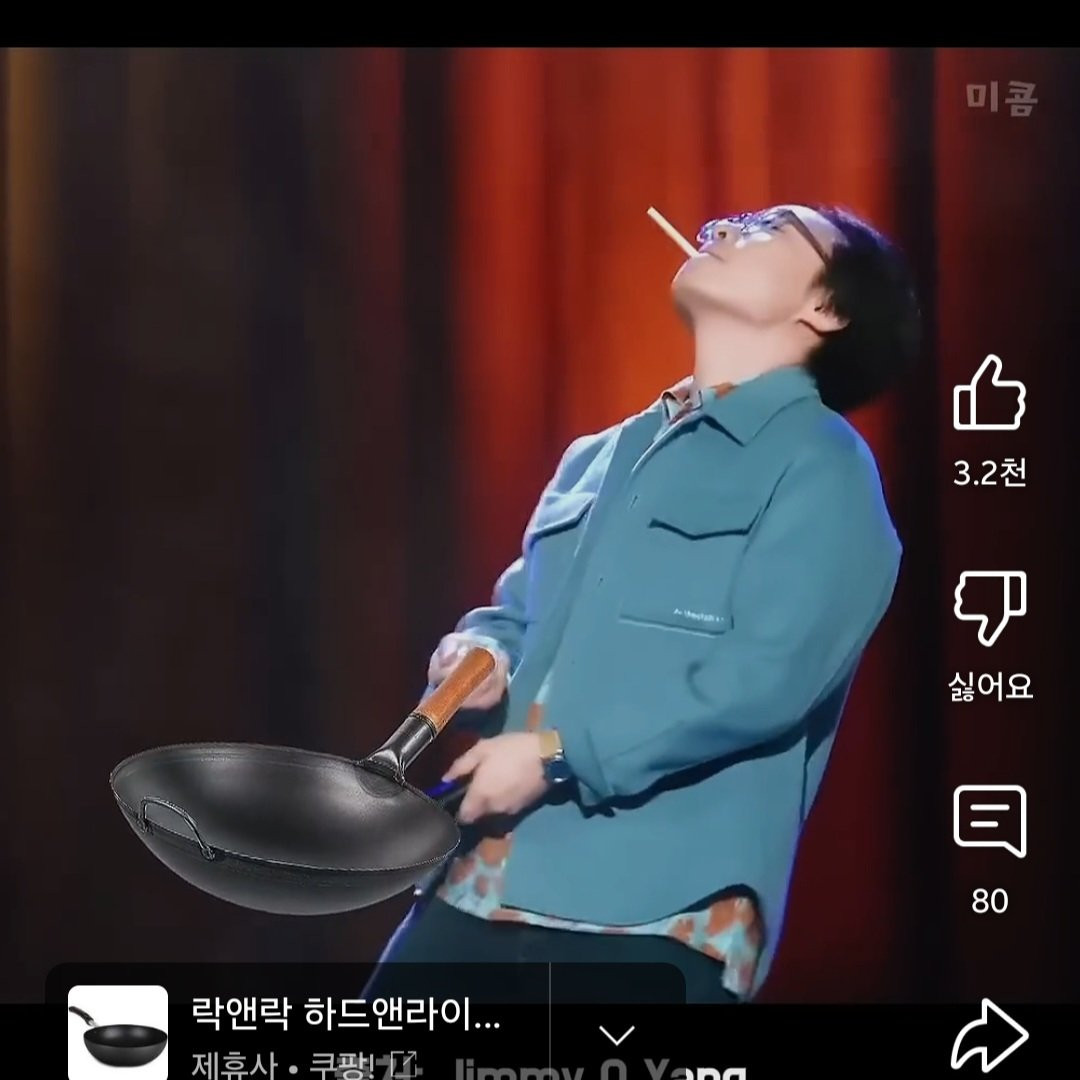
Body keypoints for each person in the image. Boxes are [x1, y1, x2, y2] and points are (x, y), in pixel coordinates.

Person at [362, 203, 921, 1005]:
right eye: (726, 223)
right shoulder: (596, 455)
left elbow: (767, 676)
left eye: (766, 227)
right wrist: (478, 653)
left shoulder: (825, 467)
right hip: (477, 880)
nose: (720, 230)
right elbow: (516, 616)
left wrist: (557, 754)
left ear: (825, 309)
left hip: (654, 909)